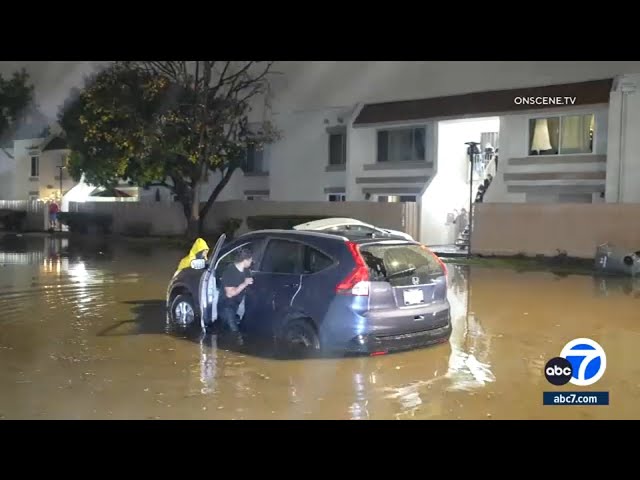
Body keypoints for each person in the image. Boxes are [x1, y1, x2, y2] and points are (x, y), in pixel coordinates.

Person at [218, 247, 253, 334]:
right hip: (227, 306)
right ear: (245, 260)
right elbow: (230, 294)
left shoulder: (246, 271)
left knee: (241, 330)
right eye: (250, 260)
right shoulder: (230, 271)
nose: (251, 262)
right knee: (233, 333)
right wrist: (244, 283)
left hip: (238, 305)